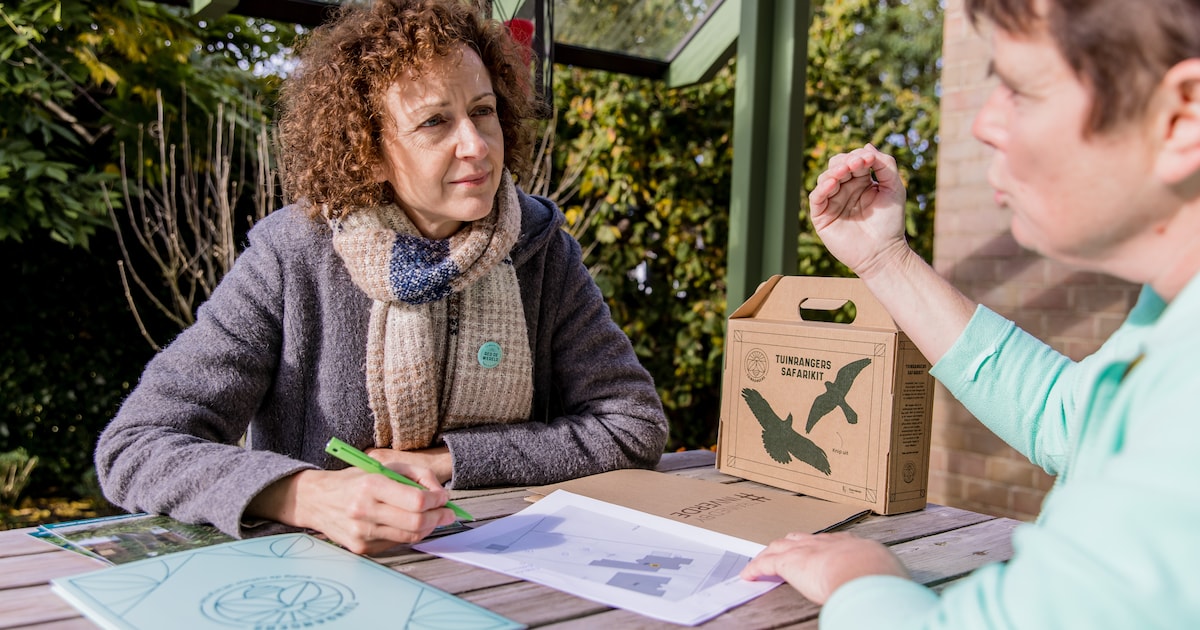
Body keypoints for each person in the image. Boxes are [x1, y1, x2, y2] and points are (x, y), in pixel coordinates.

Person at [94, 0, 667, 555]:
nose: (476, 145)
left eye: (484, 111)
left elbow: (631, 425)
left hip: (519, 575)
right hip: (319, 577)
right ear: (367, 151)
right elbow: (135, 447)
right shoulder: (291, 258)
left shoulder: (544, 252)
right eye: (435, 122)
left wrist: (448, 461)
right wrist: (306, 495)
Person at [740, 0, 1200, 627]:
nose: (984, 123)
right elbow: (1069, 421)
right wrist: (885, 261)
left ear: (1182, 116)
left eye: (1020, 89)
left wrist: (858, 574)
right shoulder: (1171, 316)